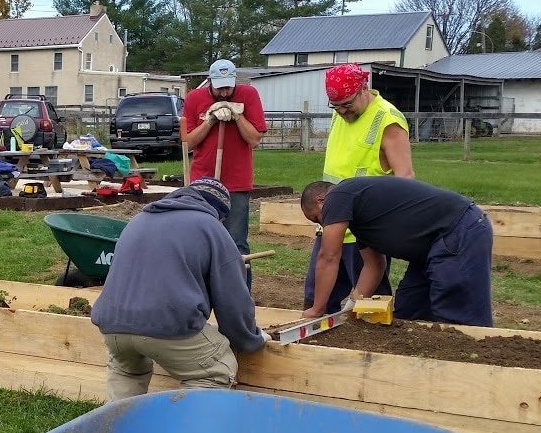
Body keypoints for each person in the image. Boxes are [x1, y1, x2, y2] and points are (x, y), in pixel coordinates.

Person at [90, 177, 268, 400]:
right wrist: (250, 339)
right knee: (215, 372)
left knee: (126, 371)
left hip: (112, 325)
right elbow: (234, 302)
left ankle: (117, 429)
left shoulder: (139, 219)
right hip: (166, 322)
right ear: (220, 214)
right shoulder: (211, 226)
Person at [300, 177, 493, 326]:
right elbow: (374, 266)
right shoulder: (362, 221)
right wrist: (353, 304)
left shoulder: (338, 196)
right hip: (430, 249)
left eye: (317, 219)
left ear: (321, 200)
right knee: (409, 308)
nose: (323, 225)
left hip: (458, 229)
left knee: (456, 314)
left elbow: (328, 257)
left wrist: (317, 309)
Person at [304, 62, 416, 310]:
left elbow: (405, 178)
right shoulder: (340, 113)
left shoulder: (387, 120)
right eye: (336, 106)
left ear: (364, 88)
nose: (342, 111)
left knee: (369, 307)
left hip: (365, 228)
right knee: (317, 299)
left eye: (347, 104)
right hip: (332, 221)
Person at [181, 59, 267, 288]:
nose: (224, 92)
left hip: (236, 182)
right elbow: (188, 143)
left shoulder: (248, 95)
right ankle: (200, 290)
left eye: (228, 87)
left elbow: (254, 139)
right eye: (220, 88)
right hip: (203, 181)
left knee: (235, 241)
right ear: (209, 81)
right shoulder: (194, 99)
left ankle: (239, 295)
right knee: (199, 238)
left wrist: (237, 116)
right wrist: (209, 120)